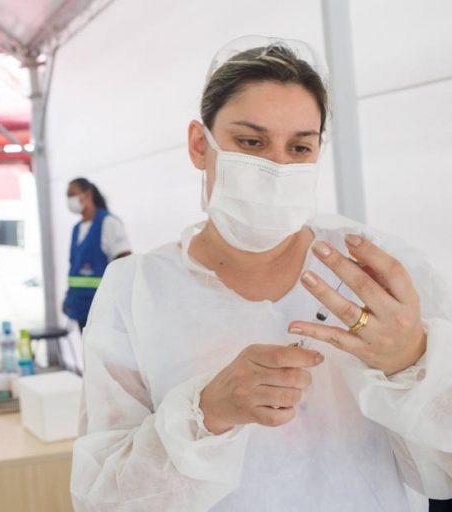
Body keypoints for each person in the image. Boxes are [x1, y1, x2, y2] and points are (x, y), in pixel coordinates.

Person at [70, 36, 452, 511]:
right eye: (251, 143)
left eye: (299, 147)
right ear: (200, 145)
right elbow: (105, 500)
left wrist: (412, 362)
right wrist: (207, 413)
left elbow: (444, 470)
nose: (277, 167)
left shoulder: (378, 273)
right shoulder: (137, 292)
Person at [63, 177, 131, 331]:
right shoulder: (76, 229)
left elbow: (126, 262)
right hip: (80, 306)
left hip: (102, 307)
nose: (69, 200)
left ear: (87, 195)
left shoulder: (108, 223)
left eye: (72, 194)